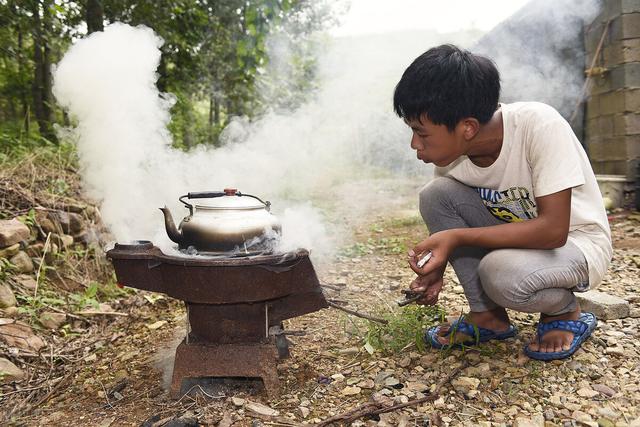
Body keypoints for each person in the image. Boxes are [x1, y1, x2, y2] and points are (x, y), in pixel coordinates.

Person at [393, 44, 612, 361]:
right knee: (435, 195)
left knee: (498, 271)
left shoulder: (539, 126)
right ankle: (488, 317)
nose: (415, 144)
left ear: (467, 127)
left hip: (576, 244)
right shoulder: (453, 159)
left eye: (422, 134)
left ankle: (563, 311)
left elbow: (553, 232)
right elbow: (452, 216)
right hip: (519, 244)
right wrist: (435, 271)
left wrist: (455, 238)